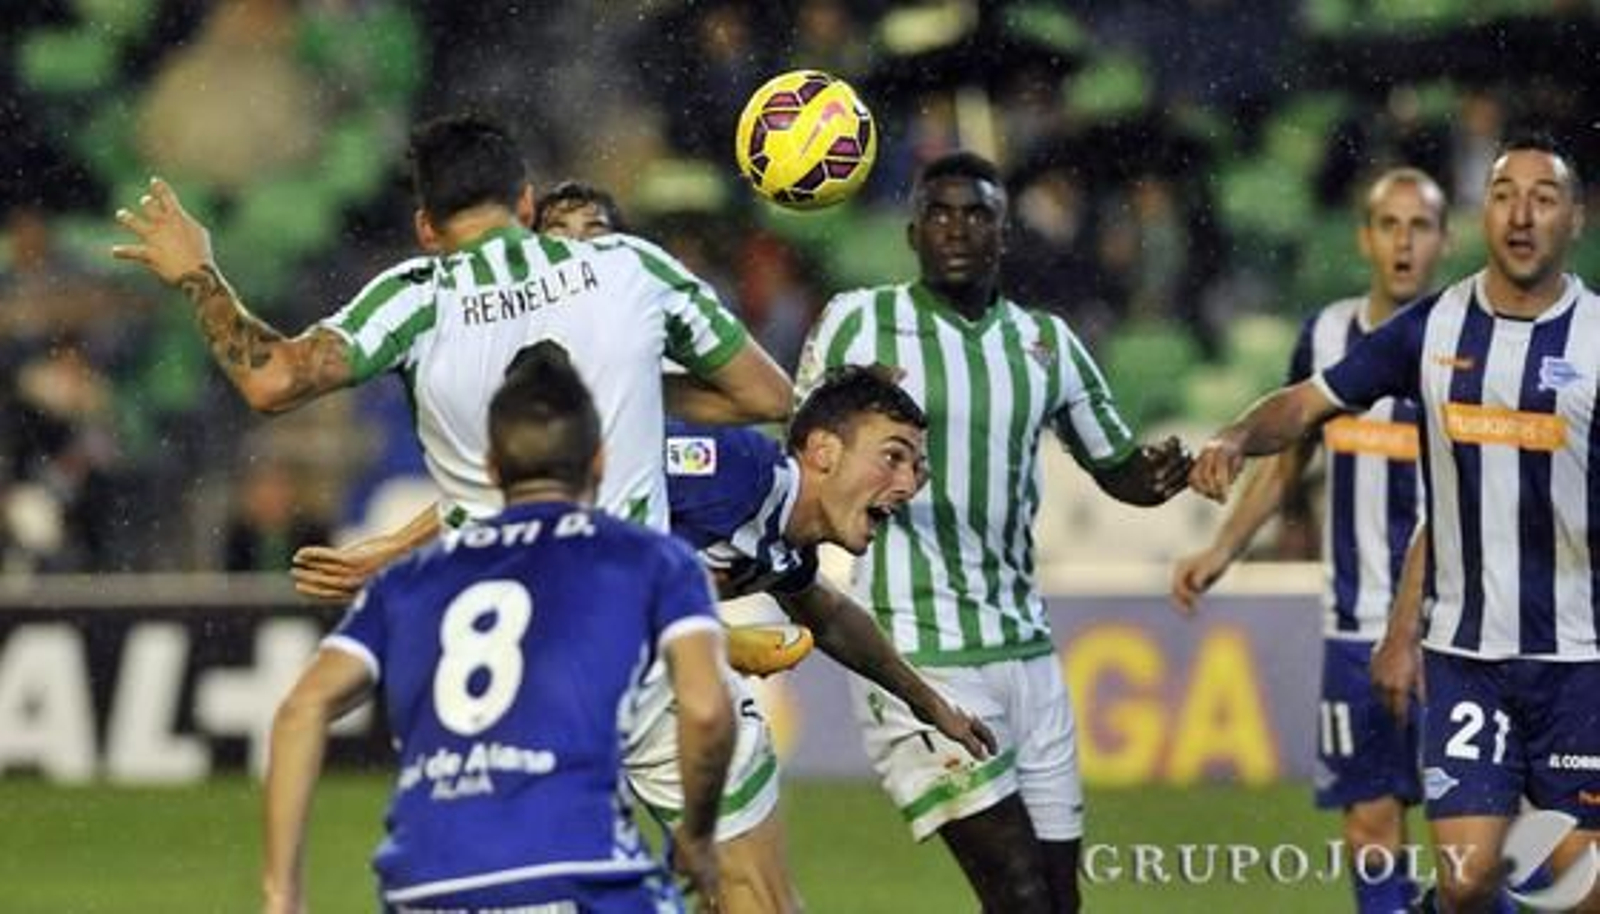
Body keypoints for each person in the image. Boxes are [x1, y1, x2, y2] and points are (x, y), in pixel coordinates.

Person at [1190, 133, 1600, 914]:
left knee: (1584, 893)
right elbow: (1307, 404)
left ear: (1574, 218)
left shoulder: (1598, 337)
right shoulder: (1435, 328)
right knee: (1466, 879)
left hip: (1579, 658)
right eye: (1504, 196)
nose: (1521, 215)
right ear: (1483, 215)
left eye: (1543, 199)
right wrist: (1237, 435)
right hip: (1466, 656)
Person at [796, 151, 1192, 913]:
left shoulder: (1046, 343)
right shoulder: (859, 321)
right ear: (912, 232)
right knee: (1018, 894)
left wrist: (1174, 470)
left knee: (1055, 902)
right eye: (939, 214)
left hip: (1028, 653)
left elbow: (1120, 470)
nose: (957, 229)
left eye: (976, 214)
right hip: (916, 645)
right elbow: (804, 451)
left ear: (1004, 234)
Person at [110, 112, 791, 533]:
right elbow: (768, 397)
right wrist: (627, 388)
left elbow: (274, 381)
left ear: (426, 230)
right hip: (633, 616)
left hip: (497, 623)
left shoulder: (415, 298)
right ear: (526, 205)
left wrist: (200, 276)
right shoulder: (631, 265)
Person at [262, 343, 733, 913]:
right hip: (574, 869)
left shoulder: (409, 579)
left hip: (425, 883)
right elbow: (706, 710)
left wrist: (282, 892)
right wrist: (698, 836)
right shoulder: (650, 559)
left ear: (489, 470)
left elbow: (300, 710)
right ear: (600, 461)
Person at [1170, 167, 1449, 913]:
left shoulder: (1466, 342)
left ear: (1445, 241)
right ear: (1364, 238)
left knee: (1474, 849)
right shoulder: (1326, 337)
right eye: (1389, 224)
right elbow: (1292, 458)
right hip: (1353, 628)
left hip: (1453, 630)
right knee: (1369, 827)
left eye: (1420, 226)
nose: (1403, 242)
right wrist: (1223, 549)